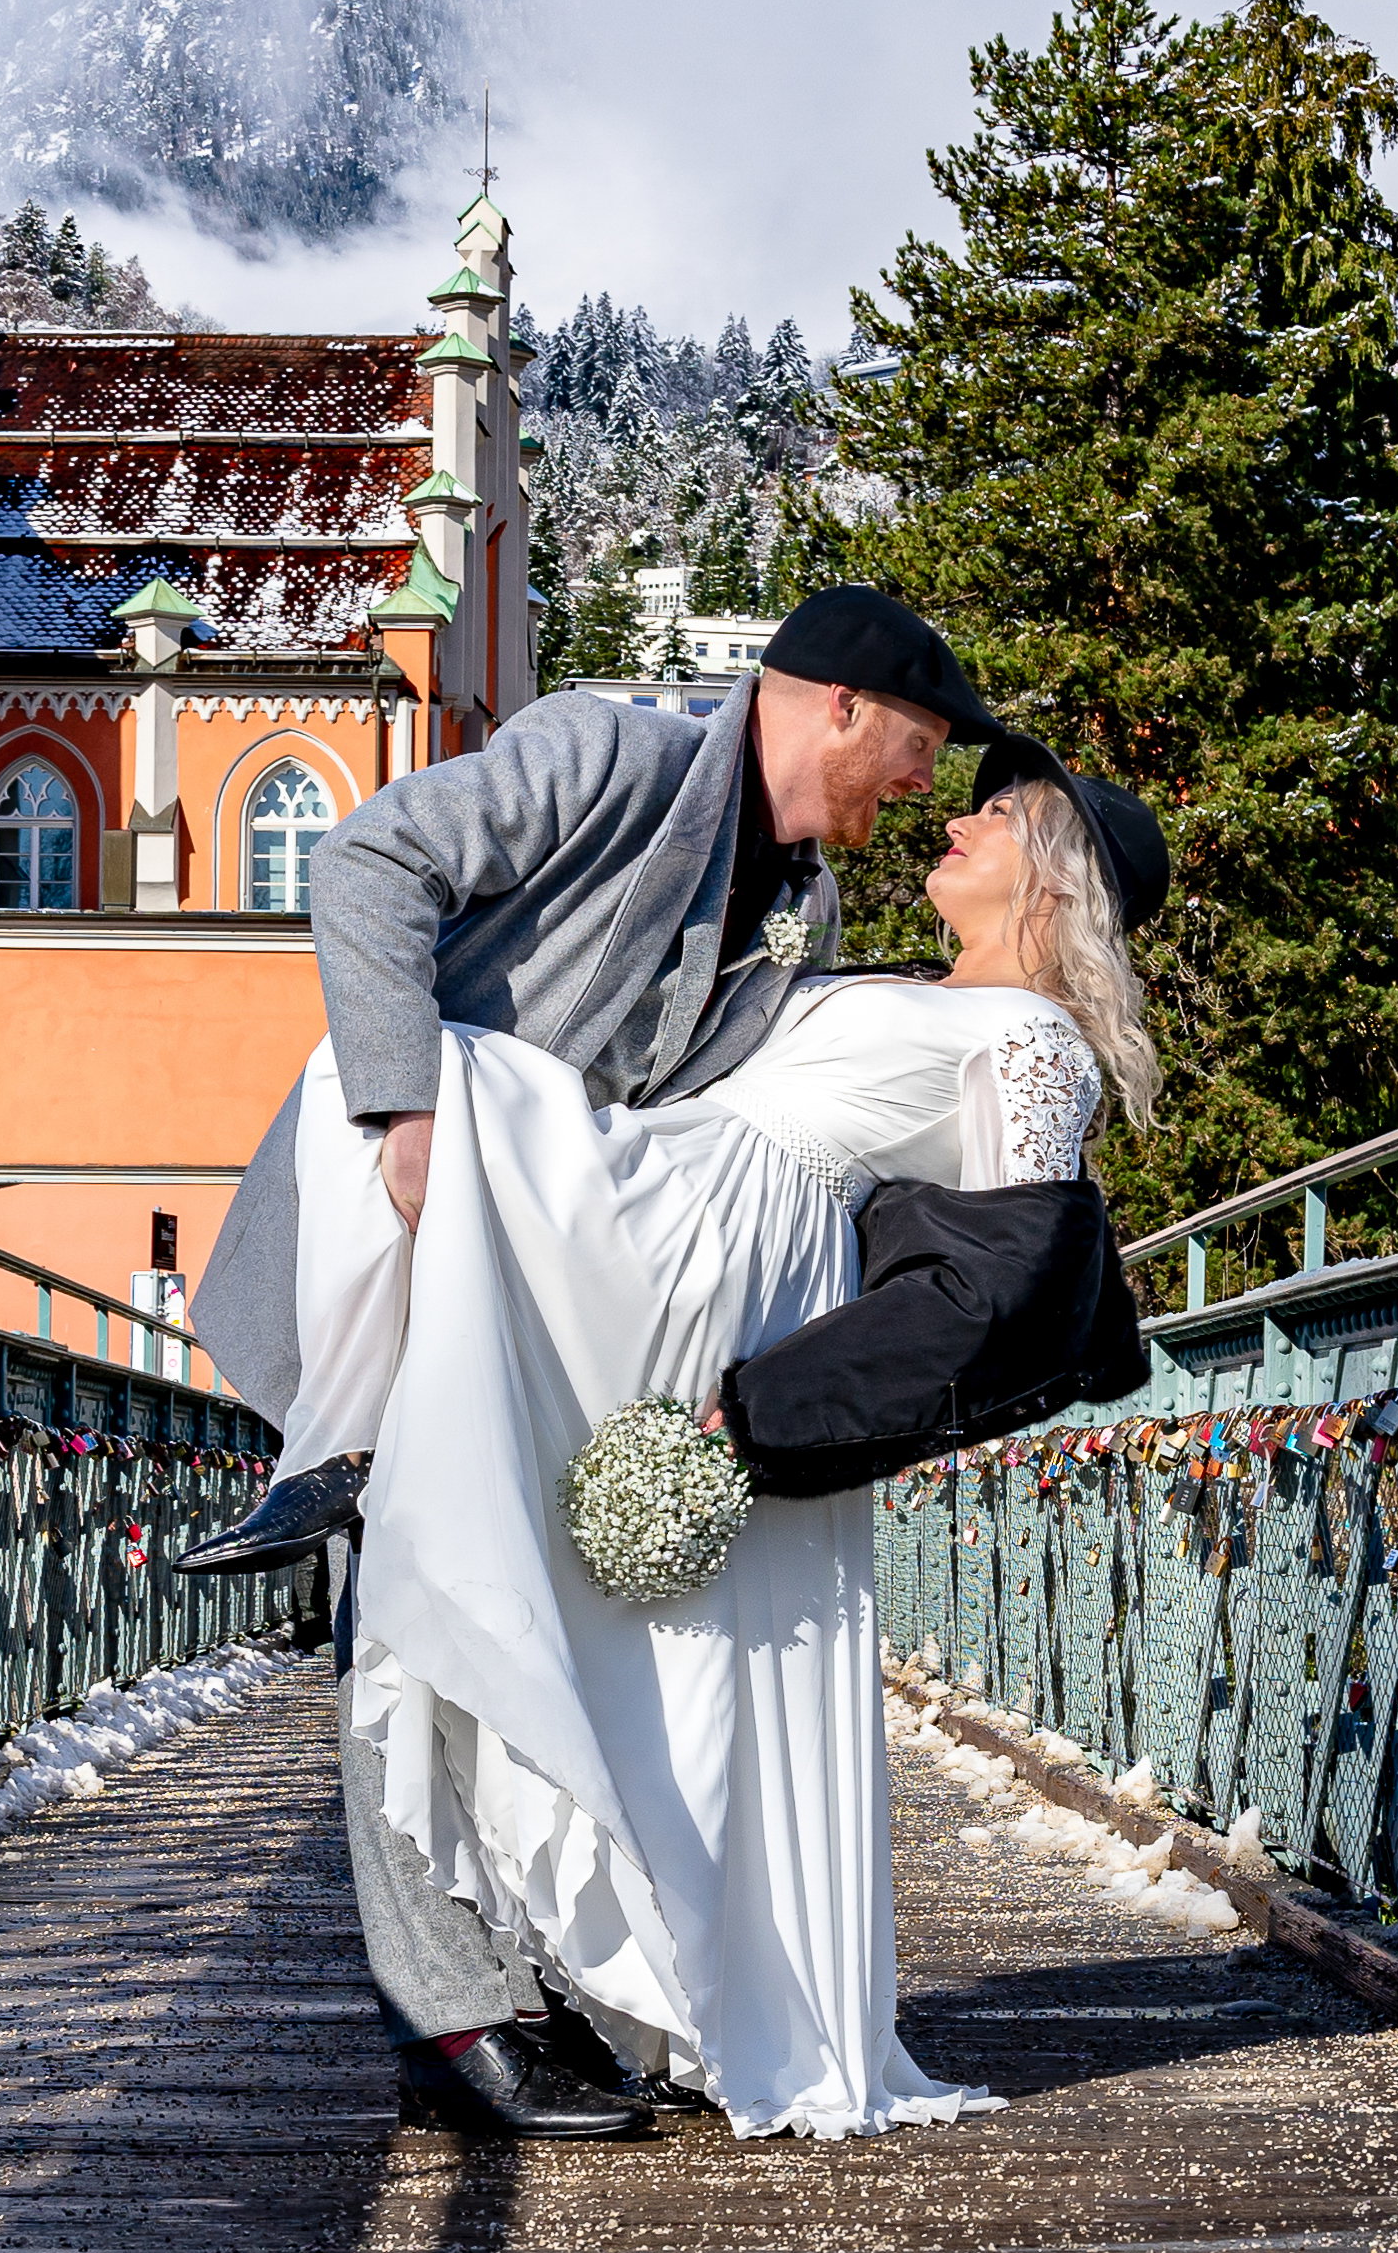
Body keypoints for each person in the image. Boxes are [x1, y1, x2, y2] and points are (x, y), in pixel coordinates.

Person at [183, 587, 995, 2138]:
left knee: (502, 1611)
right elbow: (367, 862)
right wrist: (404, 1107)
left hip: (552, 1285)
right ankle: (446, 2022)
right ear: (835, 703)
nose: (920, 783)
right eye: (917, 745)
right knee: (415, 1609)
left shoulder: (803, 909)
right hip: (408, 1231)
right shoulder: (602, 755)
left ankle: (526, 1975)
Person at [275, 746, 1168, 2140]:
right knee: (391, 1074)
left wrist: (774, 1406)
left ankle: (347, 1454)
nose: (951, 820)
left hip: (725, 1269)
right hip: (678, 1203)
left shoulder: (1034, 1043)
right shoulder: (894, 987)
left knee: (431, 1084)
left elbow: (1008, 1278)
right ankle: (347, 1445)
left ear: (1056, 882)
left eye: (991, 817)